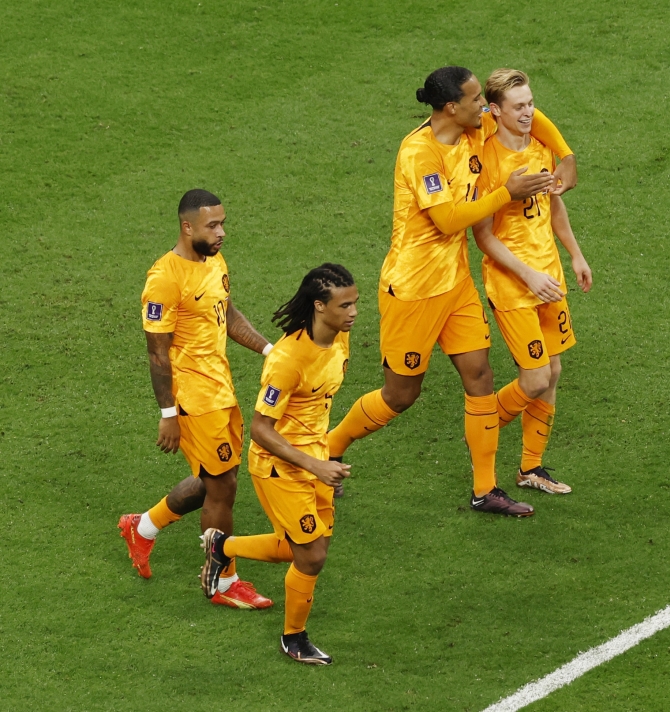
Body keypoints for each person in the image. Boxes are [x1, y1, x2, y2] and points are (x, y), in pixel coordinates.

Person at [325, 65, 577, 516]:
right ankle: (329, 446)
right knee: (400, 396)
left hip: (457, 284)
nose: (483, 106)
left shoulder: (474, 127)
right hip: (413, 290)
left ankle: (486, 490)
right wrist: (507, 193)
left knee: (479, 379)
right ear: (450, 108)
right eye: (475, 99)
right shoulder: (419, 154)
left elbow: (528, 115)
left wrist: (565, 153)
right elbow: (447, 221)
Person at [118, 189, 273, 610]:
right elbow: (156, 352)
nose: (221, 232)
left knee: (213, 479)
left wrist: (267, 351)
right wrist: (168, 413)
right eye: (212, 225)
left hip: (220, 388)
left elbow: (228, 312)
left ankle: (143, 527)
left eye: (222, 223)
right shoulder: (164, 279)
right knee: (223, 485)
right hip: (193, 397)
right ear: (187, 227)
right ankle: (223, 580)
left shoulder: (212, 259)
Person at [201, 264, 357, 665]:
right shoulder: (287, 360)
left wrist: (324, 461)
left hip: (315, 459)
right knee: (312, 556)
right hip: (278, 466)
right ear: (320, 306)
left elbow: (317, 409)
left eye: (355, 302)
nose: (354, 312)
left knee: (303, 547)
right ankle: (294, 638)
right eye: (345, 305)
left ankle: (222, 546)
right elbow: (261, 429)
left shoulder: (340, 340)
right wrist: (315, 465)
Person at [471, 68, 592, 495]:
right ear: (495, 111)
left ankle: (531, 468)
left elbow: (555, 206)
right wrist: (528, 275)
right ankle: (481, 425)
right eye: (519, 106)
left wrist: (575, 255)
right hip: (513, 283)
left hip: (551, 277)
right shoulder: (485, 161)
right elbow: (482, 235)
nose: (529, 112)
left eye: (530, 103)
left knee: (553, 371)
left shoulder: (541, 147)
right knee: (535, 379)